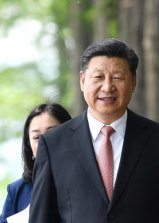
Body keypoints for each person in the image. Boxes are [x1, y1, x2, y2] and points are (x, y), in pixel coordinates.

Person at [29, 38, 159, 223]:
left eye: (117, 77)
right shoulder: (53, 144)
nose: (107, 87)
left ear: (133, 83)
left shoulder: (155, 139)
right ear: (82, 80)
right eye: (98, 77)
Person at [0, 103, 71, 223]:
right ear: (29, 146)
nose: (44, 142)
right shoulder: (17, 190)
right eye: (37, 137)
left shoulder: (88, 179)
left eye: (51, 133)